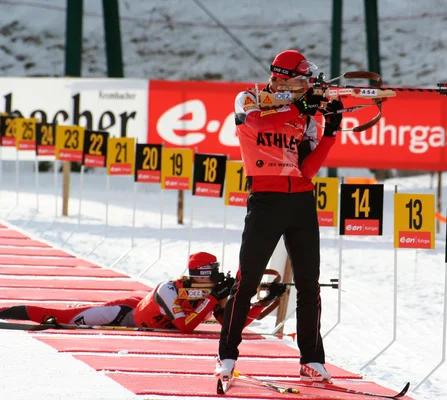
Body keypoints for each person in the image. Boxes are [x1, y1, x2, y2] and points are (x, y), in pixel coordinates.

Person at [216, 49, 344, 383]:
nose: (306, 85)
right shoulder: (250, 98)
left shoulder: (306, 114)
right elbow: (255, 122)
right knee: (247, 282)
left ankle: (312, 359)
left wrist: (330, 131)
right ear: (282, 78)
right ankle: (227, 355)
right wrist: (298, 107)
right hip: (265, 199)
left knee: (308, 284)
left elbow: (308, 171)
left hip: (301, 200)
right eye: (301, 79)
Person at [0, 252, 287, 334]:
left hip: (146, 314)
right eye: (211, 271)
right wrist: (213, 298)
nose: (215, 276)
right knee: (61, 316)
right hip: (126, 314)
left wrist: (264, 299)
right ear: (200, 274)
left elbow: (231, 323)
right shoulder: (170, 290)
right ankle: (4, 312)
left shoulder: (205, 291)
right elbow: (184, 327)